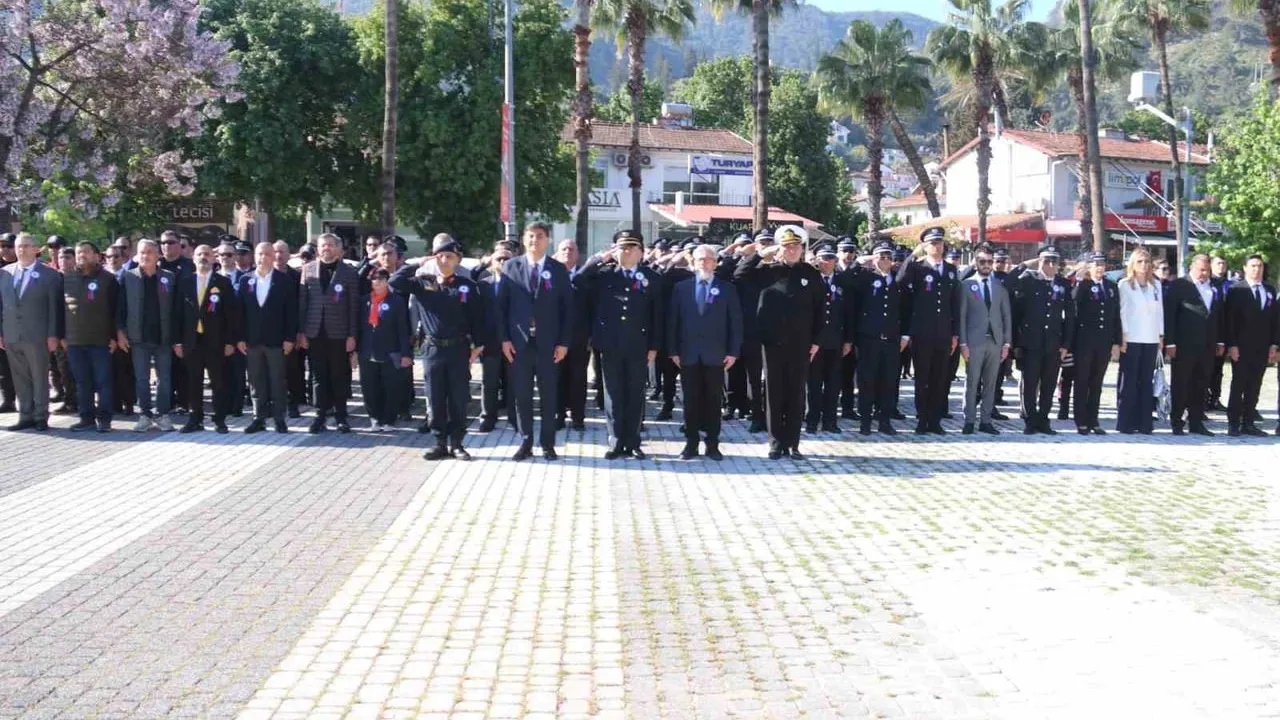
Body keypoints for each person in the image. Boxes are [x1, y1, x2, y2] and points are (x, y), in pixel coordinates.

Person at [733, 226, 824, 460]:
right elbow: (739, 275)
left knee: (796, 393)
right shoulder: (766, 271)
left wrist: (816, 340)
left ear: (802, 249)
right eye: (786, 246)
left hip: (801, 343)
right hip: (771, 343)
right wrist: (761, 254)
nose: (791, 250)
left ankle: (793, 443)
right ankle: (775, 442)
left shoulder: (810, 274)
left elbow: (820, 310)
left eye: (795, 246)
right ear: (779, 248)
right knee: (773, 393)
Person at [395, 235, 485, 459]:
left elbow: (478, 318)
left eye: (449, 256)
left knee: (457, 397)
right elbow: (395, 281)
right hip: (432, 349)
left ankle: (457, 443)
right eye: (440, 256)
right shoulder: (424, 282)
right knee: (435, 398)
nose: (444, 260)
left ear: (458, 260)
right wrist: (419, 262)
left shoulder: (467, 286)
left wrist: (477, 346)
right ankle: (439, 443)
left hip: (458, 349)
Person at [578, 230, 664, 460]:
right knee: (613, 394)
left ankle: (634, 441)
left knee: (636, 393)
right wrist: (598, 260)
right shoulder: (604, 275)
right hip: (610, 343)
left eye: (631, 247)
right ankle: (615, 441)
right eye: (622, 247)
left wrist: (654, 346)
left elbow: (658, 315)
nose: (626, 251)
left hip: (639, 344)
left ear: (641, 252)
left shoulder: (652, 278)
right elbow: (577, 281)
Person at [495, 221, 573, 461]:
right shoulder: (510, 267)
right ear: (523, 239)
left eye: (539, 236)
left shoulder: (558, 269)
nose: (534, 240)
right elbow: (501, 308)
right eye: (530, 236)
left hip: (549, 344)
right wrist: (504, 340)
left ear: (547, 240)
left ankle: (548, 443)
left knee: (549, 395)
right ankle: (525, 441)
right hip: (519, 344)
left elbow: (568, 309)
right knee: (522, 395)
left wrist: (564, 343)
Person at [667, 243, 742, 460]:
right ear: (693, 262)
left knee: (713, 402)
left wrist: (733, 351)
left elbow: (735, 323)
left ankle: (712, 445)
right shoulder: (681, 288)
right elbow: (673, 322)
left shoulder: (727, 288)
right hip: (688, 355)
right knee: (690, 402)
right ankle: (691, 444)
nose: (705, 262)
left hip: (715, 355)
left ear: (716, 262)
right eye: (700, 259)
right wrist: (673, 350)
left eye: (709, 259)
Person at [897, 227, 960, 434]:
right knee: (922, 378)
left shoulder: (950, 269)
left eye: (939, 242)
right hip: (922, 332)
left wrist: (955, 333)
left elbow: (954, 303)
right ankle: (922, 419)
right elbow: (900, 280)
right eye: (932, 243)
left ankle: (935, 420)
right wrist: (914, 253)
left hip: (943, 333)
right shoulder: (918, 267)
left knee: (939, 378)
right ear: (925, 245)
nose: (936, 246)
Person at [0, 232, 63, 431]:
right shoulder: (5, 273)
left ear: (36, 249)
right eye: (19, 246)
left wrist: (53, 334)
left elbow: (54, 307)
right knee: (20, 378)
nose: (22, 249)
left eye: (27, 245)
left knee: (39, 377)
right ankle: (25, 415)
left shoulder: (49, 274)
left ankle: (40, 416)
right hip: (11, 334)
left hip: (38, 335)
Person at [299, 233, 360, 434]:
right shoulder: (307, 270)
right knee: (318, 376)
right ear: (318, 249)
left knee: (339, 375)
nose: (327, 249)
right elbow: (303, 304)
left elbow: (353, 307)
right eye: (323, 246)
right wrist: (302, 332)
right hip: (315, 332)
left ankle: (341, 416)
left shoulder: (349, 272)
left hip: (339, 333)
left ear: (339, 249)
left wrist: (352, 336)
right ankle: (320, 416)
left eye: (331, 245)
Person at [116, 239, 179, 432]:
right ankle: (144, 414)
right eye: (142, 252)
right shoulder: (128, 277)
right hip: (138, 338)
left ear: (158, 254)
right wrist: (120, 333)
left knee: (165, 378)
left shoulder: (169, 277)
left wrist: (177, 338)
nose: (145, 256)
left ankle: (163, 414)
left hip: (163, 338)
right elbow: (120, 308)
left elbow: (176, 310)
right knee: (141, 378)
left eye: (150, 252)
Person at [1010, 244, 1074, 435]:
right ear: (1040, 262)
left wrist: (1066, 345)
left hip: (1053, 344)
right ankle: (1030, 420)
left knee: (1049, 384)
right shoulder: (1029, 281)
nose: (1050, 265)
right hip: (1031, 342)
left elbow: (1070, 316)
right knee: (1030, 383)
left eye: (1054, 261)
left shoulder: (1063, 284)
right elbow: (1014, 299)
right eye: (1046, 260)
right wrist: (1023, 265)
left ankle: (1044, 419)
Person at [175, 244, 238, 434]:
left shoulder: (223, 283)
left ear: (214, 258)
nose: (203, 257)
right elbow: (177, 314)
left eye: (207, 254)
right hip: (191, 340)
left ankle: (219, 419)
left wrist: (230, 342)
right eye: (199, 254)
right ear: (193, 258)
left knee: (218, 381)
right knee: (193, 381)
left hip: (216, 341)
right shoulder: (184, 282)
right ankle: (195, 419)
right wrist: (177, 341)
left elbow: (231, 315)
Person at [238, 243, 299, 434]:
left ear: (273, 257)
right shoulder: (245, 280)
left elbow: (291, 312)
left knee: (277, 380)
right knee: (256, 381)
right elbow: (239, 312)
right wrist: (240, 338)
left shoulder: (284, 280)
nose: (262, 258)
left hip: (276, 340)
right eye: (259, 254)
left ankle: (279, 419)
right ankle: (259, 418)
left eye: (266, 254)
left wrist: (290, 338)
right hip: (252, 340)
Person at [848, 239, 906, 435]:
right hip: (868, 339)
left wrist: (904, 335)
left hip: (890, 340)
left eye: (888, 257)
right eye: (881, 256)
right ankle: (865, 422)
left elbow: (905, 310)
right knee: (867, 382)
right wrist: (859, 262)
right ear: (875, 259)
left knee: (888, 383)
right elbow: (847, 279)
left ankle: (884, 421)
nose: (885, 260)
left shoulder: (897, 279)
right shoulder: (865, 277)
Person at [1164, 254, 1224, 436]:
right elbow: (1170, 315)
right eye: (1201, 270)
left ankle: (1196, 421)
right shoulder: (1180, 285)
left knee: (1201, 382)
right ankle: (1176, 421)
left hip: (1207, 344)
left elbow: (1219, 315)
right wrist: (1171, 342)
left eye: (1207, 270)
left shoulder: (1215, 287)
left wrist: (1220, 340)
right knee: (1181, 383)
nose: (1204, 274)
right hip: (1184, 344)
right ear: (1192, 268)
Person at [955, 244, 1011, 435]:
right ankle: (969, 420)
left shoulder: (1000, 287)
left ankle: (986, 421)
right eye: (982, 261)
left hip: (995, 342)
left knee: (991, 382)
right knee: (972, 382)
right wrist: (963, 343)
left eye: (989, 261)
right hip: (974, 342)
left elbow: (1006, 317)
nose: (986, 265)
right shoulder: (966, 285)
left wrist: (1006, 343)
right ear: (975, 263)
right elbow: (961, 316)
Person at [62, 242, 118, 432]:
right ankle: (86, 418)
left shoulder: (108, 279)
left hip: (100, 341)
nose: (82, 255)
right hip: (75, 342)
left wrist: (114, 336)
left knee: (103, 382)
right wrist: (62, 336)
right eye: (78, 252)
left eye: (86, 251)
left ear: (96, 255)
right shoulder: (67, 278)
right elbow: (61, 309)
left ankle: (104, 420)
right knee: (82, 382)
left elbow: (116, 311)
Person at [1223, 254, 1278, 437]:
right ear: (1245, 268)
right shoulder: (1237, 290)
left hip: (1262, 346)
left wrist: (1273, 344)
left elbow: (1274, 320)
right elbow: (1229, 320)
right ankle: (1233, 423)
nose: (1257, 269)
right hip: (1242, 346)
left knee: (1255, 385)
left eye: (1260, 266)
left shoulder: (1269, 290)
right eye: (1253, 266)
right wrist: (1232, 345)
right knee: (1239, 384)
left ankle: (1249, 422)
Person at [357, 268, 414, 434]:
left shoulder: (396, 301)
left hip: (390, 351)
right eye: (374, 279)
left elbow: (403, 329)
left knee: (391, 387)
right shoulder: (365, 301)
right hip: (367, 350)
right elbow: (359, 327)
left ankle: (389, 420)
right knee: (369, 387)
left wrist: (405, 354)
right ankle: (374, 418)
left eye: (381, 279)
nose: (377, 282)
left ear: (387, 281)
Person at [1070, 253, 1121, 435]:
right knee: (1082, 381)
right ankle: (1081, 420)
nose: (1100, 267)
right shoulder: (1082, 285)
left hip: (1104, 342)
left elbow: (1115, 316)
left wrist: (1117, 341)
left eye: (1102, 264)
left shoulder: (1111, 286)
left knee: (1097, 383)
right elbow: (1074, 312)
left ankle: (1094, 420)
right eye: (1096, 264)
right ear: (1089, 266)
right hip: (1084, 341)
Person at [1116, 247, 1164, 435]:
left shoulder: (1156, 285)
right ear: (1133, 264)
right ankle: (1126, 422)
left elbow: (1160, 311)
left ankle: (1144, 423)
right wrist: (1123, 336)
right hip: (1132, 338)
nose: (1144, 265)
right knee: (1129, 381)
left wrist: (1160, 335)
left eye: (1147, 262)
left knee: (1146, 381)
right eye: (1140, 262)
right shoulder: (1125, 285)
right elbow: (1122, 312)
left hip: (1150, 338)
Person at [805, 242, 850, 434]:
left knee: (833, 384)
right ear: (817, 260)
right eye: (823, 258)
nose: (827, 262)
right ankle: (812, 420)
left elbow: (849, 314)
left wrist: (848, 339)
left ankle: (830, 421)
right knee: (814, 385)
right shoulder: (810, 281)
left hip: (835, 341)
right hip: (815, 343)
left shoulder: (842, 282)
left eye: (831, 258)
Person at [476, 247, 514, 433]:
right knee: (489, 382)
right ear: (491, 262)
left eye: (507, 259)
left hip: (513, 341)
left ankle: (515, 417)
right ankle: (488, 417)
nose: (503, 262)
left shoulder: (519, 285)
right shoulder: (483, 285)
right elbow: (476, 315)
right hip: (490, 341)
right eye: (499, 258)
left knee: (514, 381)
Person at [159, 230, 197, 414]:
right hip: (160, 322)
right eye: (163, 242)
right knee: (164, 366)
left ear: (179, 245)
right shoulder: (156, 265)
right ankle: (167, 402)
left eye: (171, 242)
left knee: (183, 364)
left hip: (183, 322)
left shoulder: (189, 266)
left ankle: (184, 401)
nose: (167, 246)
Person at [556, 238, 590, 432]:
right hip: (555, 338)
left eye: (571, 249)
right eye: (564, 249)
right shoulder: (550, 276)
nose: (568, 252)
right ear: (558, 254)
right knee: (557, 378)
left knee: (578, 378)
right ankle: (558, 415)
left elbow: (593, 308)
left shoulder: (586, 278)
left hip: (579, 338)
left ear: (577, 254)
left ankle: (578, 417)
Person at [273, 241, 306, 418]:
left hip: (291, 330)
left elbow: (301, 305)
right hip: (270, 330)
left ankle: (294, 403)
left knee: (293, 369)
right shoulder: (263, 274)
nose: (278, 255)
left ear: (289, 255)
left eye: (282, 252)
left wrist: (299, 331)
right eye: (275, 251)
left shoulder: (297, 276)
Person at [103, 243, 136, 415]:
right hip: (105, 332)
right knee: (109, 370)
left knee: (126, 370)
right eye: (109, 256)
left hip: (125, 331)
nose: (112, 259)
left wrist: (121, 332)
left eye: (116, 256)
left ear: (123, 258)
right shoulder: (102, 278)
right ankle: (114, 404)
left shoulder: (131, 277)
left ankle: (129, 403)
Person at [51, 245, 78, 416]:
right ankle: (69, 401)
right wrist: (59, 335)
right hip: (61, 335)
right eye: (61, 257)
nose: (63, 260)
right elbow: (55, 310)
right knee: (64, 371)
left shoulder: (80, 278)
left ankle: (79, 402)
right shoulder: (54, 280)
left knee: (78, 371)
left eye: (67, 257)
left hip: (79, 333)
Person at [1207, 254, 1233, 412]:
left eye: (1223, 264)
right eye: (1218, 263)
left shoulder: (1230, 285)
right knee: (1205, 368)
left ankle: (1215, 398)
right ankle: (1203, 398)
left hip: (1223, 331)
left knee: (1218, 369)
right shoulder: (1208, 283)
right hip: (1209, 331)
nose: (1221, 267)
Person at [0, 233, 18, 413]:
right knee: (4, 366)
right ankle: (8, 400)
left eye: (8, 246)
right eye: (2, 246)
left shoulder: (22, 269)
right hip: (3, 323)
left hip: (21, 325)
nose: (4, 249)